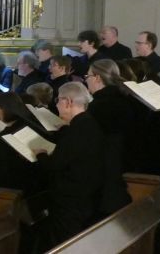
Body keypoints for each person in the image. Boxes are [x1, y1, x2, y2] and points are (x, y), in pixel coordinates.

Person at [35, 82, 105, 250]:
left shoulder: (77, 130)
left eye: (58, 100)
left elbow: (55, 164)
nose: (56, 104)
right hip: (87, 196)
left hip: (70, 202)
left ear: (68, 102)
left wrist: (41, 155)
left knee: (64, 245)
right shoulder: (88, 123)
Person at [84, 59, 134, 216]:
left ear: (98, 78)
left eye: (88, 76)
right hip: (123, 164)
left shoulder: (99, 105)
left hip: (104, 168)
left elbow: (90, 140)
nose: (86, 81)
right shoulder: (126, 98)